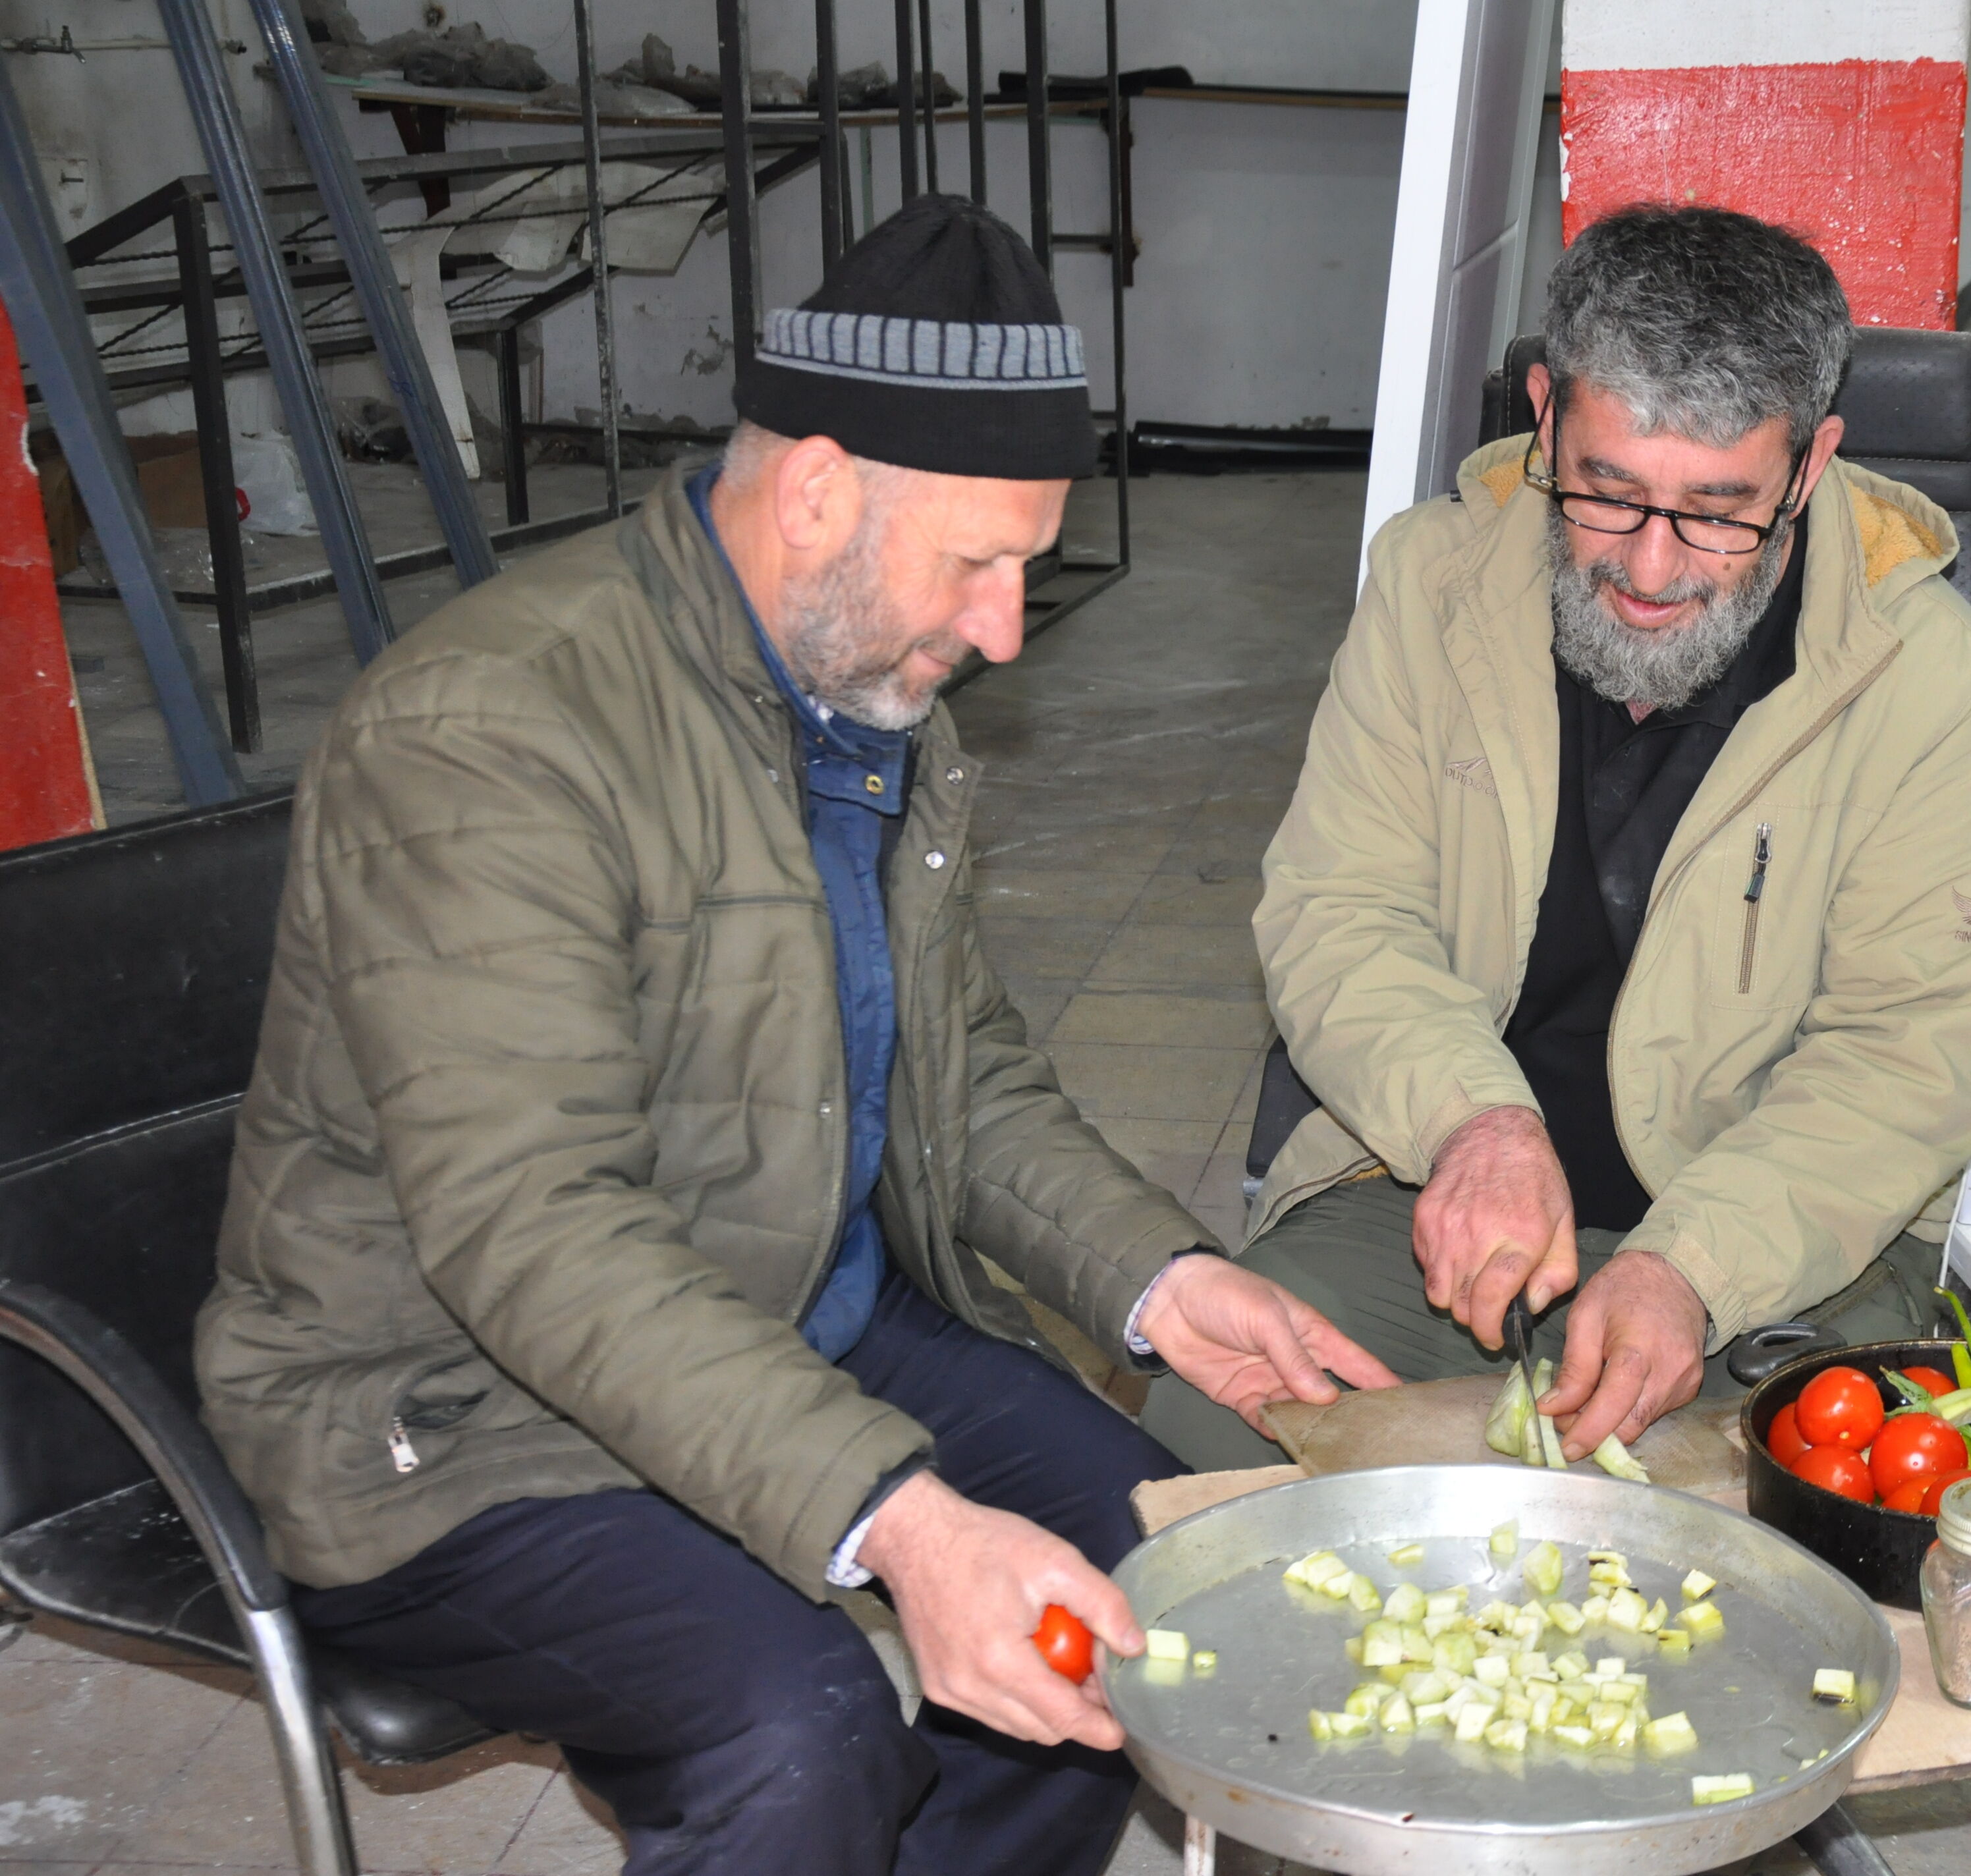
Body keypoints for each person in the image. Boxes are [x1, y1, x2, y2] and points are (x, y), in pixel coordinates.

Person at [196, 196, 1393, 1876]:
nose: (1000, 627)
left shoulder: (857, 690)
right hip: (452, 1412)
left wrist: (1159, 1276)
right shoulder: (490, 733)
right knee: (800, 1723)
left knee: (1142, 1591)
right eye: (978, 562)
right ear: (819, 489)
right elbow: (529, 1227)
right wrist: (897, 1517)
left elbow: (954, 1067)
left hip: (773, 1307)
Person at [1143, 204, 1971, 1474]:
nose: (1653, 569)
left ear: (1812, 462)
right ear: (1547, 412)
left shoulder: (1932, 681)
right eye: (1607, 493)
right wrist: (1473, 1129)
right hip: (1426, 1193)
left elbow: (1906, 1056)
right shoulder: (1426, 585)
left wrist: (1692, 1264)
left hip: (1777, 1240)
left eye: (1720, 513)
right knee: (1217, 1436)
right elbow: (1339, 911)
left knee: (1774, 1520)